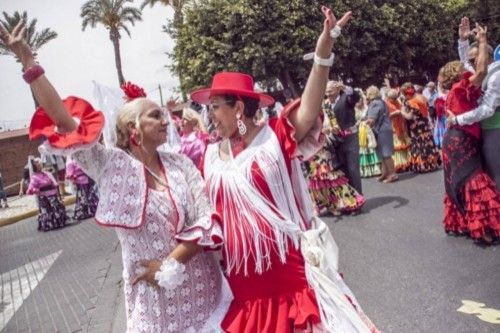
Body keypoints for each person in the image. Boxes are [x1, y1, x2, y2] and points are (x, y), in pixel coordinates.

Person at [0, 22, 228, 332]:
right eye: (155, 115)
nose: (166, 120)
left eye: (163, 114)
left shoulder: (181, 164)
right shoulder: (110, 164)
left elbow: (206, 221)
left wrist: (169, 263)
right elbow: (65, 122)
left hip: (203, 293)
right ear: (133, 129)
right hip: (153, 304)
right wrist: (29, 62)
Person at [191, 6, 379, 332]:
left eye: (215, 108)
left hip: (286, 273)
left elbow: (309, 106)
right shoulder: (207, 156)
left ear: (238, 107)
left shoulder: (275, 137)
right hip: (243, 284)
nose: (210, 116)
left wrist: (323, 51)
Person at [439, 23, 500, 243]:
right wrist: (482, 41)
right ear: (461, 74)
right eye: (467, 65)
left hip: (455, 139)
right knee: (474, 182)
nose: (471, 65)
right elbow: (481, 70)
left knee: (461, 181)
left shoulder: (455, 90)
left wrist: (464, 41)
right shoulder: (461, 88)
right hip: (461, 139)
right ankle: (483, 230)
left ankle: (465, 223)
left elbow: (474, 66)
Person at [448, 16, 500, 189]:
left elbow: (487, 109)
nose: (470, 64)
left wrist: (457, 120)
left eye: (474, 59)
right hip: (482, 129)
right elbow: (466, 65)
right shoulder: (483, 73)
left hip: (495, 129)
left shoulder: (496, 75)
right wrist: (463, 40)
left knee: (496, 174)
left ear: (487, 56)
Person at [324, 80, 363, 194]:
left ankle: (358, 198)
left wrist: (345, 87)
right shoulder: (326, 104)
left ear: (337, 90)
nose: (328, 94)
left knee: (353, 169)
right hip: (336, 140)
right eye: (326, 92)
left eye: (330, 91)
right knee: (343, 171)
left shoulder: (346, 98)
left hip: (350, 138)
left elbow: (356, 96)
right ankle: (349, 199)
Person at [399, 82, 441, 173]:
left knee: (419, 145)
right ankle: (432, 164)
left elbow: (409, 116)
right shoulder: (422, 97)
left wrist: (402, 111)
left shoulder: (410, 102)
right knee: (428, 143)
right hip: (425, 124)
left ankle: (423, 166)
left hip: (416, 126)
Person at [365, 86, 397, 183]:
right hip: (384, 129)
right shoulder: (381, 102)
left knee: (386, 154)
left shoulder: (375, 103)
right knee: (382, 153)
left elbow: (371, 119)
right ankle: (385, 173)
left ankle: (392, 174)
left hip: (381, 130)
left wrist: (362, 123)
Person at [26, 157, 68, 231]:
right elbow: (30, 189)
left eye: (40, 164)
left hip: (52, 194)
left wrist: (55, 185)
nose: (40, 165)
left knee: (57, 207)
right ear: (34, 167)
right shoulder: (34, 177)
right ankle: (50, 224)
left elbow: (52, 182)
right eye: (38, 164)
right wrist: (35, 189)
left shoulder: (46, 173)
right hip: (44, 196)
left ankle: (59, 222)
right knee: (48, 210)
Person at [356, 89, 382, 178]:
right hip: (360, 132)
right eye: (357, 100)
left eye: (359, 99)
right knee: (363, 151)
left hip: (369, 131)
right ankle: (365, 170)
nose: (358, 102)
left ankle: (375, 169)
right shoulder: (353, 110)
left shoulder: (368, 107)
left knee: (371, 148)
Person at [385, 89, 411, 172]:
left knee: (404, 144)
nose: (394, 100)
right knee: (397, 146)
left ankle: (406, 163)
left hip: (401, 126)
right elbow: (386, 116)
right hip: (393, 127)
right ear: (389, 97)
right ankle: (398, 164)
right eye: (393, 98)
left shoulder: (398, 102)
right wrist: (394, 113)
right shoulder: (386, 104)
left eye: (395, 98)